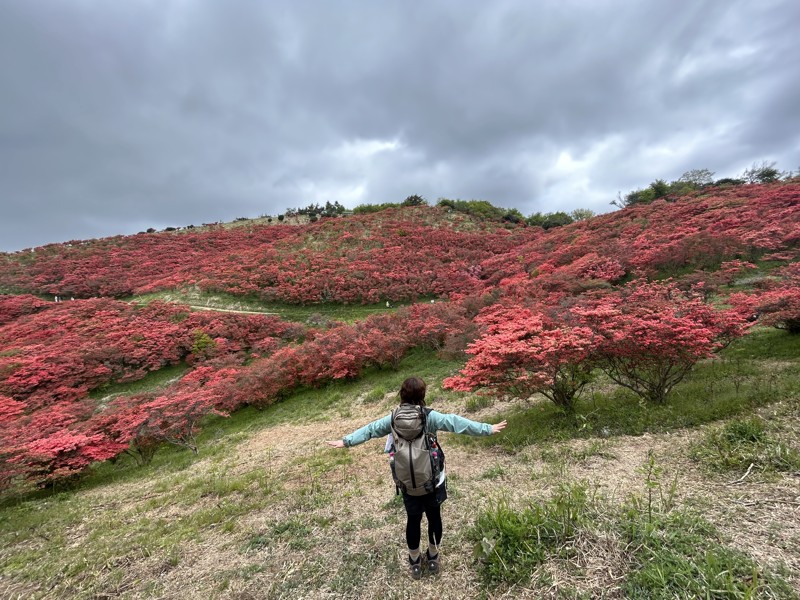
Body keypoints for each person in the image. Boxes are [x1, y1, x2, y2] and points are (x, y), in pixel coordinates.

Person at [326, 376, 507, 579]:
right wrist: (487, 429)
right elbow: (456, 423)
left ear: (401, 394)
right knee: (434, 517)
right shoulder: (430, 417)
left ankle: (414, 561)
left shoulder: (392, 418)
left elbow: (370, 430)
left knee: (413, 520)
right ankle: (432, 557)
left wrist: (346, 441)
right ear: (423, 395)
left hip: (407, 483)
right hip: (432, 481)